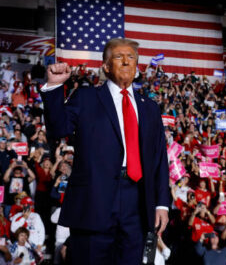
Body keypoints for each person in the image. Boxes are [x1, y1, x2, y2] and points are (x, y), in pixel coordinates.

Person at [41, 38, 170, 264]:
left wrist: (161, 204)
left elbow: (159, 159)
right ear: (106, 66)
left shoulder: (150, 108)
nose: (126, 61)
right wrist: (54, 86)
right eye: (119, 57)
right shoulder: (86, 97)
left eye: (131, 57)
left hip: (137, 203)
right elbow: (58, 128)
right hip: (94, 200)